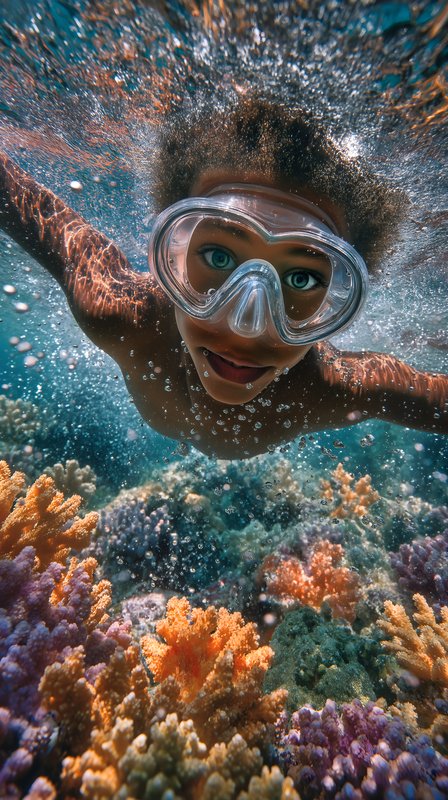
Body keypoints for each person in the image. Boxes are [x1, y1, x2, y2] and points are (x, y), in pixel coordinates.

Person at [1, 97, 447, 458]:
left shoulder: (332, 388)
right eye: (218, 256)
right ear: (172, 258)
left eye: (300, 280)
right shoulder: (120, 313)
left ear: (336, 298)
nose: (245, 326)